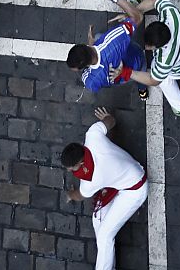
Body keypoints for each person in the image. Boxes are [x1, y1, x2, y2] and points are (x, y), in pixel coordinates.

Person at [58, 108, 149, 270]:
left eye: (71, 168)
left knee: (104, 237)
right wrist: (106, 117)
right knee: (98, 221)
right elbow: (111, 121)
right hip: (127, 173)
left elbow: (80, 195)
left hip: (135, 191)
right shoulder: (92, 135)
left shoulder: (91, 181)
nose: (69, 171)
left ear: (80, 164)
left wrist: (70, 194)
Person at [100, 0, 180, 117]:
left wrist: (125, 72)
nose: (145, 47)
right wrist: (133, 14)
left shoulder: (164, 60)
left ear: (157, 47)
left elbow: (153, 80)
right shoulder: (171, 13)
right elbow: (154, 1)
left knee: (165, 80)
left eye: (148, 46)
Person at [66, 19, 146, 96]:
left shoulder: (91, 82)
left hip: (123, 76)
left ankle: (142, 89)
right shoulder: (115, 39)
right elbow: (137, 18)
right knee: (98, 36)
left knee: (134, 77)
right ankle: (142, 89)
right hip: (136, 56)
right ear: (85, 46)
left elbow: (90, 81)